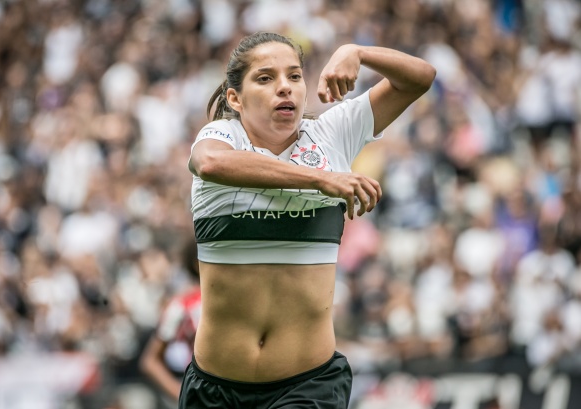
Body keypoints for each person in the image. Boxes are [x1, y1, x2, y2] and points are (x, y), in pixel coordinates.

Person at [182, 32, 436, 408]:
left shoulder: (333, 134)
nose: (284, 87)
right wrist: (322, 179)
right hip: (214, 388)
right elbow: (210, 163)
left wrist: (358, 52)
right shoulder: (223, 137)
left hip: (308, 385)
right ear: (235, 98)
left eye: (294, 76)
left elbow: (420, 77)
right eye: (266, 78)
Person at [139, 240, 201, 405]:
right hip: (206, 396)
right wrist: (182, 394)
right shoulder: (182, 305)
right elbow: (150, 360)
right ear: (197, 263)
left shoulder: (238, 297)